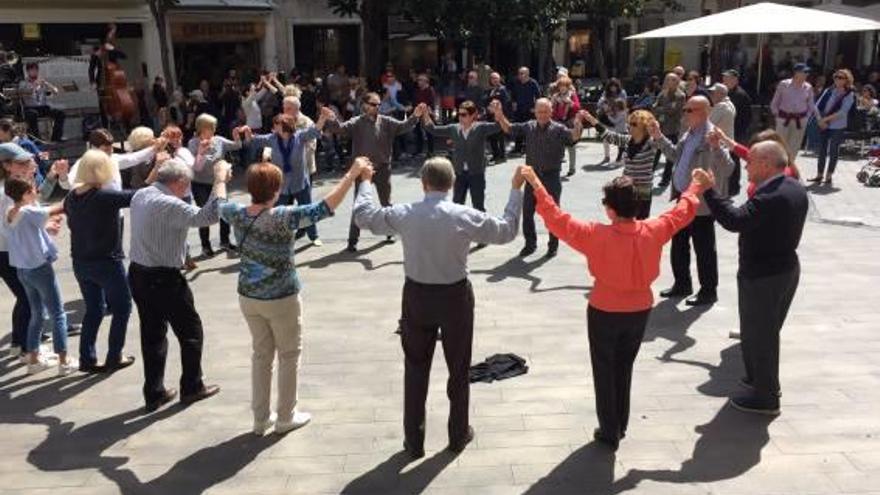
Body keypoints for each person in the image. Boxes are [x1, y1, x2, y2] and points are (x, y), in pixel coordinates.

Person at [520, 165, 708, 450]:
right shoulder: (653, 229)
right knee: (624, 367)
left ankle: (610, 429)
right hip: (640, 309)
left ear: (610, 209)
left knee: (604, 369)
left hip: (604, 310)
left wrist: (536, 184)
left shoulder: (597, 234)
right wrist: (695, 187)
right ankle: (620, 422)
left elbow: (557, 219)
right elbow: (679, 213)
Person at [353, 157, 524, 458]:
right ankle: (458, 435)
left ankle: (414, 440)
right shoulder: (463, 214)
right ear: (452, 184)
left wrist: (365, 180)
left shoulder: (406, 213)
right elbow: (507, 230)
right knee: (458, 367)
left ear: (423, 183)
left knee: (415, 367)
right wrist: (515, 190)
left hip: (417, 295)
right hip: (455, 296)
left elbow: (365, 217)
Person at [220, 159, 366, 436]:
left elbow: (218, 202)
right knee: (288, 354)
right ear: (275, 190)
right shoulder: (283, 216)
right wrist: (352, 174)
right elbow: (326, 207)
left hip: (248, 296)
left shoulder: (236, 213)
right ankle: (286, 415)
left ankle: (260, 419)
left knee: (261, 355)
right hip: (281, 296)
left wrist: (219, 178)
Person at [694, 141, 807, 415]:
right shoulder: (793, 186)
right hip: (783, 269)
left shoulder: (771, 196)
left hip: (764, 275)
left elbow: (734, 220)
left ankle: (767, 396)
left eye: (751, 161)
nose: (746, 165)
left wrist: (709, 190)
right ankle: (759, 379)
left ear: (767, 164)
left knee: (761, 336)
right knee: (761, 333)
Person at [128, 158, 231, 413]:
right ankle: (192, 386)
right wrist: (219, 180)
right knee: (191, 332)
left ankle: (154, 392)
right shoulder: (169, 204)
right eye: (188, 184)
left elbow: (175, 224)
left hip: (139, 273)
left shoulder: (142, 194)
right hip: (164, 278)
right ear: (180, 182)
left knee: (152, 335)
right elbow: (210, 216)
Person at [649, 96, 735, 306]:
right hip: (682, 198)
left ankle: (708, 291)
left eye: (689, 110)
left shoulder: (712, 134)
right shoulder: (689, 133)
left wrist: (715, 148)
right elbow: (675, 155)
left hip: (702, 203)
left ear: (704, 112)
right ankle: (682, 284)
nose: (684, 113)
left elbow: (728, 167)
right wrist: (659, 136)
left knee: (704, 249)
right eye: (685, 109)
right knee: (679, 245)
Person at [63, 150, 141, 374]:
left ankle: (87, 359)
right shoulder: (103, 197)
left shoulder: (71, 197)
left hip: (80, 262)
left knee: (94, 310)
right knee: (123, 307)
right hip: (107, 263)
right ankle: (114, 355)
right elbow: (137, 195)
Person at [323, 93, 427, 252]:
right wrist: (331, 118)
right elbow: (339, 129)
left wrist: (415, 116)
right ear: (364, 105)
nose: (377, 107)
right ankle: (352, 241)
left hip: (383, 168)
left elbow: (403, 126)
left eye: (379, 104)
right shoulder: (357, 122)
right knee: (358, 206)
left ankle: (389, 232)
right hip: (363, 169)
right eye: (374, 104)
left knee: (386, 203)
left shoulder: (386, 121)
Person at [493, 98, 586, 258]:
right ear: (534, 112)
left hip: (551, 176)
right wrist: (500, 116)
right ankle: (530, 244)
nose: (542, 115)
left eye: (545, 111)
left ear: (551, 112)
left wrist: (578, 123)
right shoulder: (529, 127)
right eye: (539, 111)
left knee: (553, 214)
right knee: (527, 212)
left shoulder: (559, 129)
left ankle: (553, 245)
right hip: (532, 176)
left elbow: (573, 137)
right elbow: (509, 129)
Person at [3, 177, 76, 375]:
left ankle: (33, 359)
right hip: (38, 268)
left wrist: (49, 222)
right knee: (58, 314)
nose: (36, 192)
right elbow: (56, 208)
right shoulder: (28, 211)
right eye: (33, 190)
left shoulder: (11, 212)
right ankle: (64, 361)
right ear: (25, 194)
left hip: (22, 269)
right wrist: (77, 192)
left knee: (37, 313)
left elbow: (39, 221)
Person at [242, 107, 335, 246]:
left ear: (285, 125)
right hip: (281, 185)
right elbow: (255, 141)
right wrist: (248, 133)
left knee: (307, 209)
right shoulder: (272, 138)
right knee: (279, 213)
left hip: (300, 181)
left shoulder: (299, 136)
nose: (274, 127)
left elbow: (314, 131)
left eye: (276, 125)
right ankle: (281, 237)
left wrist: (322, 117)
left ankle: (313, 236)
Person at [422, 100, 502, 214]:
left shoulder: (481, 128)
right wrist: (425, 114)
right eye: (459, 114)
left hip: (476, 173)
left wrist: (498, 111)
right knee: (457, 205)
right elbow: (433, 130)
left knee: (478, 206)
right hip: (459, 173)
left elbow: (498, 126)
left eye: (464, 115)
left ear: (473, 115)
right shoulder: (454, 128)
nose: (460, 117)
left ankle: (480, 230)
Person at [582, 109, 658, 219]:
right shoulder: (627, 140)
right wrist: (592, 120)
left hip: (643, 191)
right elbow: (608, 136)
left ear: (643, 126)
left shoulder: (651, 143)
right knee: (625, 221)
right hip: (627, 189)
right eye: (629, 123)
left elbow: (662, 141)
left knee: (641, 223)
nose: (629, 126)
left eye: (633, 124)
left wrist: (656, 130)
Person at [187, 114, 242, 257]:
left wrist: (236, 136)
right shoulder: (193, 143)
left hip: (218, 183)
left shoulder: (218, 140)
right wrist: (203, 151)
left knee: (224, 212)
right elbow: (195, 165)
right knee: (204, 214)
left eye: (214, 127)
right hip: (200, 184)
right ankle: (205, 245)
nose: (214, 129)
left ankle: (225, 240)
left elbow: (237, 146)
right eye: (212, 127)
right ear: (202, 128)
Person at [712, 127, 800, 198]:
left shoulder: (784, 175)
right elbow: (738, 148)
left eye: (755, 151)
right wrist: (722, 137)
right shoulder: (766, 161)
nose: (746, 167)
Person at [809, 69, 856, 186]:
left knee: (834, 150)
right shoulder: (828, 90)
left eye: (841, 77)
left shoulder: (849, 94)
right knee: (822, 150)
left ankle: (829, 176)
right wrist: (819, 120)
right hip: (824, 124)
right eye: (836, 77)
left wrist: (824, 120)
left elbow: (843, 112)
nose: (838, 79)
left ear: (847, 80)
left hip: (837, 125)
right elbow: (816, 106)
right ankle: (819, 175)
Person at [770, 63, 816, 159]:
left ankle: (790, 168)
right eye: (804, 72)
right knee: (780, 145)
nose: (807, 74)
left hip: (800, 120)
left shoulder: (808, 87)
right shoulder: (783, 84)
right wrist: (777, 116)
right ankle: (779, 167)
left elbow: (811, 105)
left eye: (807, 72)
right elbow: (775, 102)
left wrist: (806, 118)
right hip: (783, 118)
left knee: (795, 146)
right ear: (796, 73)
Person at [722, 69, 753, 196]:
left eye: (727, 78)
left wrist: (739, 134)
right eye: (724, 78)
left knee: (734, 160)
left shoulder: (741, 95)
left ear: (735, 79)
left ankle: (734, 187)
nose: (724, 80)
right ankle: (727, 185)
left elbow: (747, 118)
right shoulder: (725, 93)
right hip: (726, 133)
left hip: (736, 133)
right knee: (726, 159)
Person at [653, 73, 686, 187]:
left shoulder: (680, 95)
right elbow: (654, 107)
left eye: (670, 80)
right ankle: (648, 174)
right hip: (660, 128)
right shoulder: (663, 93)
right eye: (667, 80)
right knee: (655, 153)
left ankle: (665, 179)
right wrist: (662, 109)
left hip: (672, 129)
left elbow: (673, 110)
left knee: (669, 157)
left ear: (676, 82)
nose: (667, 82)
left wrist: (661, 109)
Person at [19, 62, 66, 142]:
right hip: (30, 108)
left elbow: (56, 91)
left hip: (43, 107)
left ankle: (56, 138)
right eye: (32, 70)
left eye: (36, 70)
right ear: (28, 71)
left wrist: (47, 84)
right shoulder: (23, 83)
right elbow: (25, 93)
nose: (34, 72)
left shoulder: (42, 82)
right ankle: (36, 139)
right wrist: (34, 85)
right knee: (32, 115)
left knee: (60, 113)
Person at [549, 76, 581, 175]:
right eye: (560, 86)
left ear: (568, 86)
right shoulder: (555, 96)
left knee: (571, 145)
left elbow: (577, 107)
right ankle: (556, 167)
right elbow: (551, 110)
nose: (562, 88)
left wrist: (569, 102)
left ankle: (572, 168)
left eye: (564, 86)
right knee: (557, 145)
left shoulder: (572, 95)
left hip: (569, 122)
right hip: (558, 122)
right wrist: (553, 103)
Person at [485, 72, 511, 164]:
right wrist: (488, 108)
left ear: (499, 79)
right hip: (490, 117)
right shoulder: (489, 90)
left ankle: (502, 156)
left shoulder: (502, 89)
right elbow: (486, 101)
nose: (494, 80)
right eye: (492, 78)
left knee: (500, 136)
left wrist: (499, 112)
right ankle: (495, 155)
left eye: (496, 78)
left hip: (499, 116)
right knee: (492, 136)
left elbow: (506, 102)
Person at [411, 74, 436, 158]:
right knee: (418, 132)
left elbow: (431, 103)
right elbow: (414, 101)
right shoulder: (416, 91)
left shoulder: (430, 90)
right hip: (418, 113)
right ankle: (419, 149)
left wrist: (424, 108)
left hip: (427, 113)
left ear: (425, 82)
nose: (419, 82)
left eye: (420, 80)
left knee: (429, 132)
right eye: (418, 80)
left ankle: (430, 151)